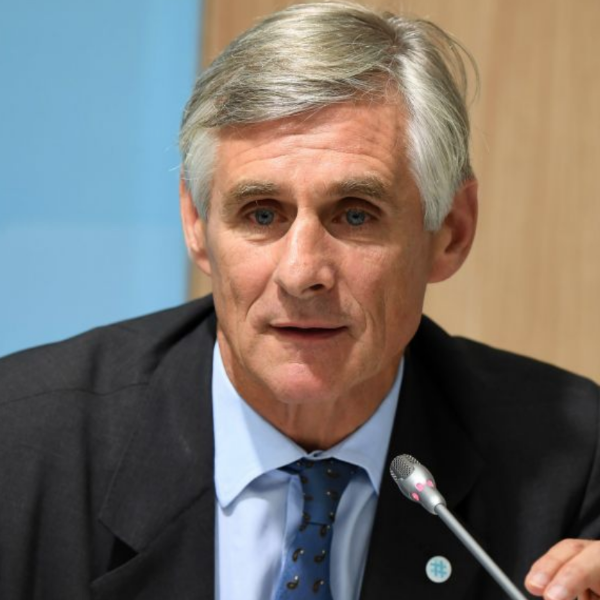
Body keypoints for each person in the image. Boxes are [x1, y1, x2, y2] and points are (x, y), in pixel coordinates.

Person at [0, 2, 599, 599]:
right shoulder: (20, 446)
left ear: (451, 231)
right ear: (196, 224)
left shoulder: (576, 459)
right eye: (262, 214)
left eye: (356, 214)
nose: (301, 273)